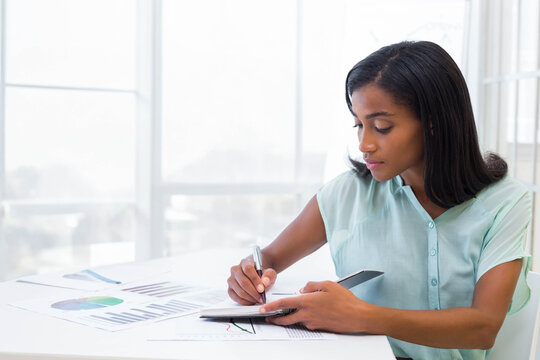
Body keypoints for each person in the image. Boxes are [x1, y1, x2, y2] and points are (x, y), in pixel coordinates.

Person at [227, 41, 532, 360]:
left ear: (433, 122)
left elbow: (482, 327)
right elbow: (270, 258)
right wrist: (248, 275)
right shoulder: (345, 193)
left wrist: (358, 315)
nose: (364, 144)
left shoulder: (505, 202)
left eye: (381, 127)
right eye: (359, 125)